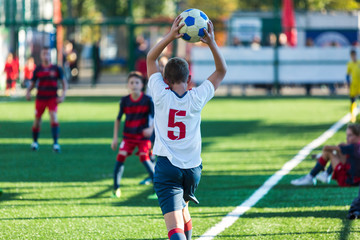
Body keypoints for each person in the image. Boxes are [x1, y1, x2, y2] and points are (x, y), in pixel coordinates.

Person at [146, 16, 227, 240]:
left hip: (167, 167)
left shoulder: (160, 94)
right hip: (193, 170)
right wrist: (211, 42)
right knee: (183, 209)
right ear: (189, 78)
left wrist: (171, 36)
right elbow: (221, 71)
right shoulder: (197, 97)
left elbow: (151, 58)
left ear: (164, 78)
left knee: (175, 230)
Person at [110, 71, 155, 198]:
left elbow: (156, 118)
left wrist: (151, 129)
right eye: (131, 82)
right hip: (128, 137)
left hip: (142, 137)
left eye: (137, 82)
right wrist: (115, 138)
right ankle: (116, 189)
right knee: (120, 158)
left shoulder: (148, 100)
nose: (134, 85)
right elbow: (118, 119)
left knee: (144, 158)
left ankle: (157, 189)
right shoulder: (124, 101)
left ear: (142, 85)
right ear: (127, 85)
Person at [26, 47, 67, 152]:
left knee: (54, 117)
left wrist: (62, 95)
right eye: (44, 54)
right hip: (40, 98)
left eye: (48, 54)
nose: (46, 56)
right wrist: (28, 92)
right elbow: (32, 83)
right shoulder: (38, 69)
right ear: (41, 56)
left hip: (52, 98)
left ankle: (56, 144)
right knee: (37, 121)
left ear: (50, 55)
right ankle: (35, 142)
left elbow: (64, 83)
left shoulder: (56, 69)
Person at [291, 123, 360, 187]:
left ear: (358, 136)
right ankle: (325, 174)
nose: (347, 138)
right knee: (340, 150)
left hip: (347, 181)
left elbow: (326, 148)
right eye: (347, 135)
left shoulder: (353, 147)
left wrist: (322, 157)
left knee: (328, 152)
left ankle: (312, 177)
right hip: (355, 180)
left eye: (350, 135)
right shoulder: (355, 147)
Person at [346, 49, 360, 123]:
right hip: (354, 84)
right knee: (352, 100)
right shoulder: (350, 64)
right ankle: (353, 117)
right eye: (352, 55)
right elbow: (347, 75)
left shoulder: (359, 63)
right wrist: (348, 83)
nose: (353, 57)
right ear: (351, 56)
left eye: (354, 55)